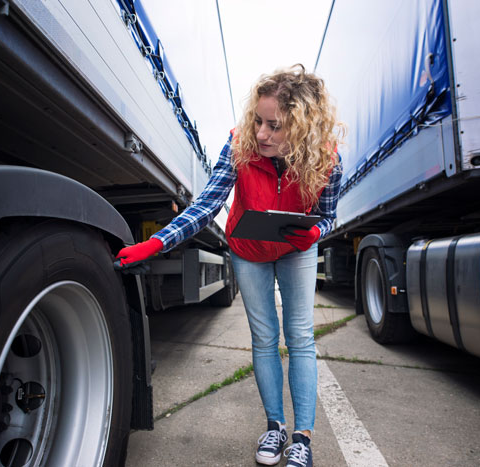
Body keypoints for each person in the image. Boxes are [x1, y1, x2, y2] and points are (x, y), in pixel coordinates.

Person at [116, 64, 343, 467]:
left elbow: (329, 216)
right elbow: (208, 204)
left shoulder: (327, 160)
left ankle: (302, 438)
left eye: (274, 126)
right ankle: (274, 426)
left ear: (302, 125)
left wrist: (315, 233)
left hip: (296, 249)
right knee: (264, 336)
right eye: (258, 120)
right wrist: (157, 241)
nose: (261, 134)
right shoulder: (240, 144)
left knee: (300, 335)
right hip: (248, 248)